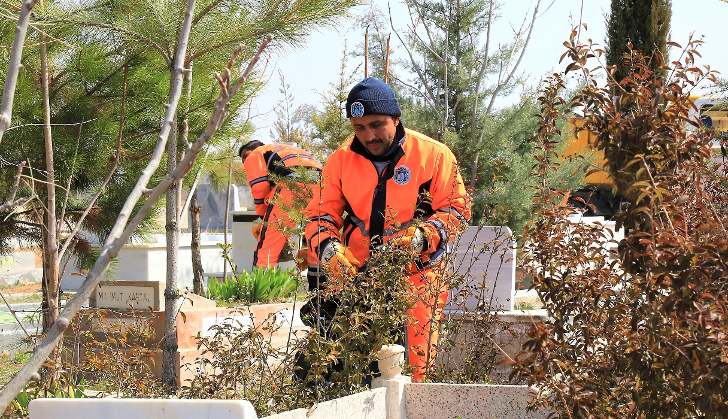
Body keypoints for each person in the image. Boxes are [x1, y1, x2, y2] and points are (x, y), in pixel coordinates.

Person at [303, 77, 470, 382]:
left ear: (396, 118)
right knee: (350, 370)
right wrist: (329, 251)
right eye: (359, 127)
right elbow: (318, 216)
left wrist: (421, 238)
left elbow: (456, 209)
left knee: (416, 370)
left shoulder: (434, 156)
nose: (369, 135)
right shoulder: (339, 161)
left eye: (377, 124)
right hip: (355, 275)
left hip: (417, 276)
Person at [239, 141, 321, 268]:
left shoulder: (254, 154)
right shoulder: (286, 149)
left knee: (267, 247)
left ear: (249, 152)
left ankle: (263, 283)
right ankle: (318, 278)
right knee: (317, 236)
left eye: (244, 158)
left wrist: (263, 219)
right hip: (320, 185)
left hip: (293, 183)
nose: (244, 163)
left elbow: (259, 187)